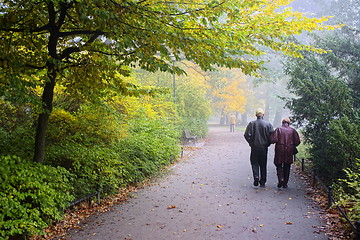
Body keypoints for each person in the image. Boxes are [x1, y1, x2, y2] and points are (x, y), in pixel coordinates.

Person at [244, 108, 274, 187]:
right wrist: (268, 143)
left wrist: (251, 143)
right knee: (263, 164)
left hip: (254, 147)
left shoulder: (251, 124)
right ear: (263, 115)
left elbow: (246, 135)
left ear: (256, 115)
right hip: (264, 148)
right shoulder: (268, 124)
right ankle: (263, 181)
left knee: (254, 163)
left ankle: (256, 176)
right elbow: (272, 136)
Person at [270, 117, 301, 188]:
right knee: (287, 166)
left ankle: (281, 178)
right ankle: (285, 183)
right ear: (289, 123)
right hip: (289, 150)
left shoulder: (278, 129)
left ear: (282, 123)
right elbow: (297, 141)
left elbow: (273, 140)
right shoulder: (293, 131)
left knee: (278, 165)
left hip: (279, 150)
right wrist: (292, 145)